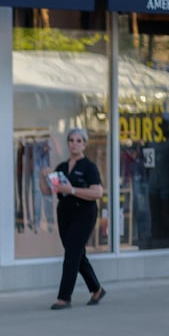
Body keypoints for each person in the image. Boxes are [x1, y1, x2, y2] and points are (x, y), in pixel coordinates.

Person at [39, 127, 107, 310]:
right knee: (77, 253)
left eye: (79, 141)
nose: (75, 144)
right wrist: (42, 177)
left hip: (84, 213)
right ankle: (97, 289)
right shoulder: (61, 167)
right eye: (71, 140)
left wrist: (73, 190)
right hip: (65, 213)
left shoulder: (89, 167)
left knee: (71, 255)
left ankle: (64, 297)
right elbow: (48, 192)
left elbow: (97, 192)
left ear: (84, 144)